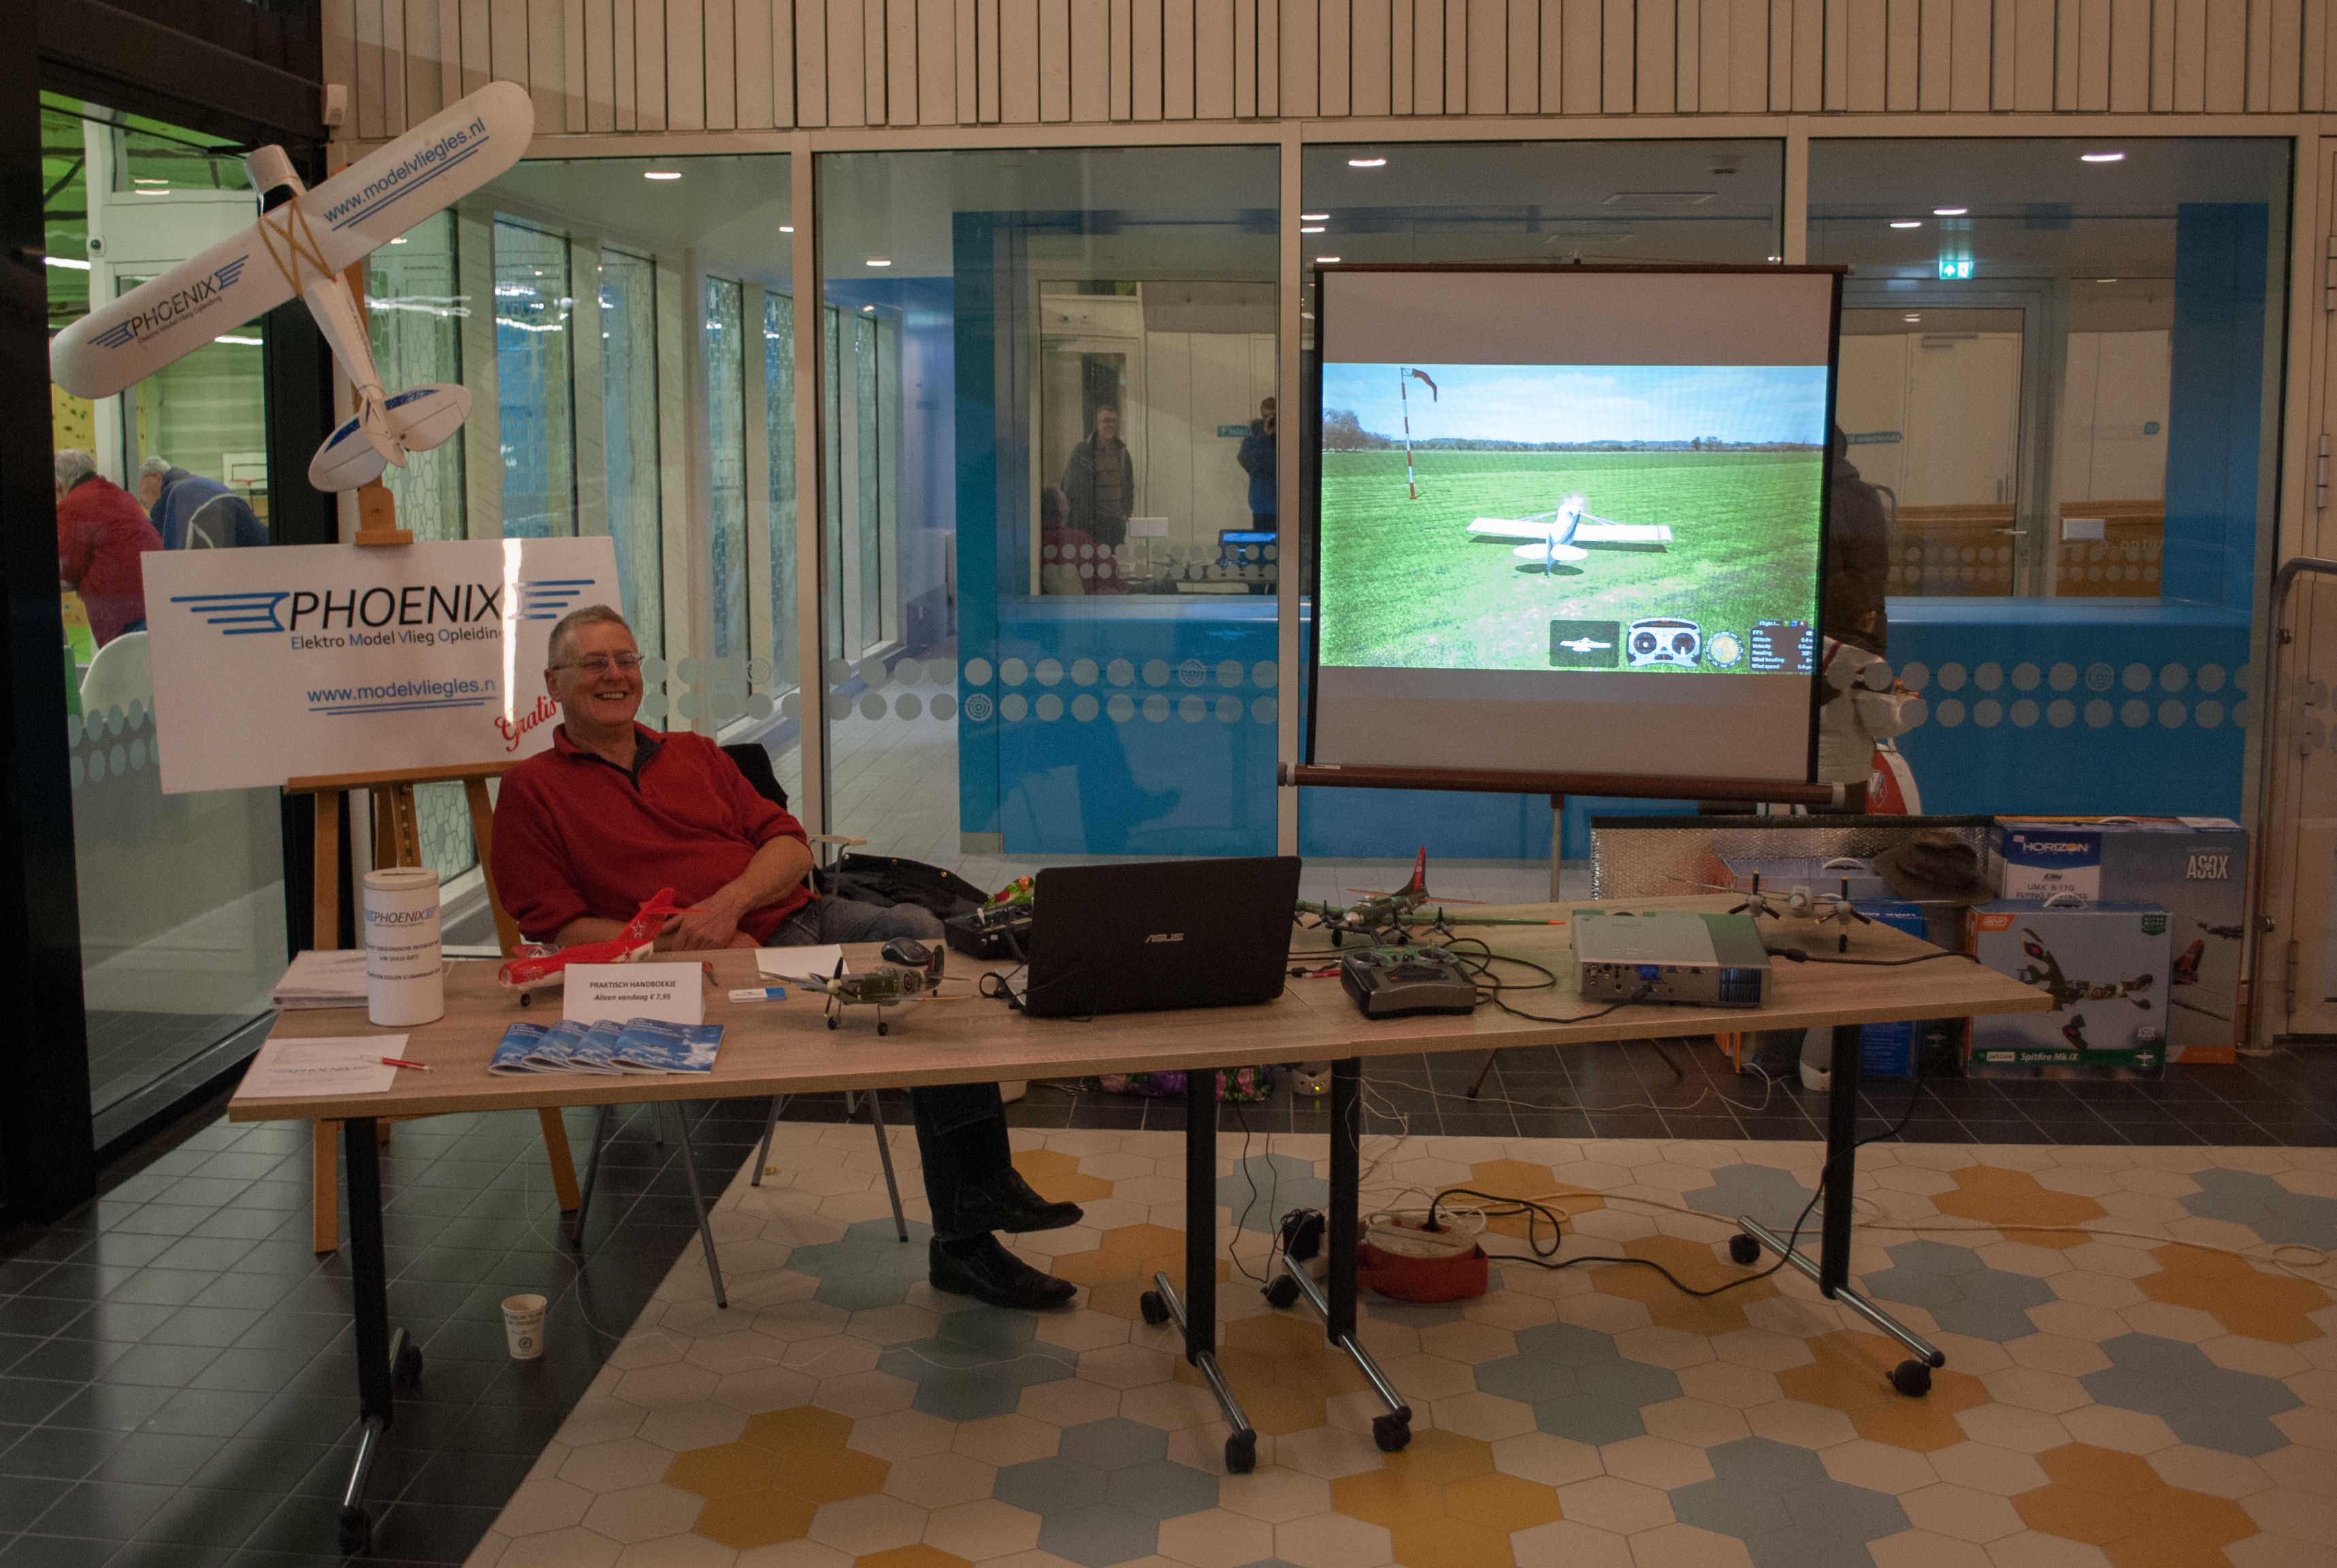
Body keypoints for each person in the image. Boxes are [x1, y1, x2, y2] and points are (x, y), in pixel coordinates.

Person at [491, 604, 1085, 1311]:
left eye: (626, 659)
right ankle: (970, 1234)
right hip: (686, 974)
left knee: (922, 939)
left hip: (793, 922)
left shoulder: (695, 753)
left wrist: (729, 905)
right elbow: (558, 928)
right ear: (553, 682)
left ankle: (976, 1202)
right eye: (594, 663)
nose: (614, 675)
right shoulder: (531, 789)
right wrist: (686, 947)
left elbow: (791, 847)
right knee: (924, 1018)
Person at [55, 448, 163, 649]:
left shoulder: (73, 505)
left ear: (57, 485)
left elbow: (68, 568)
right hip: (156, 600)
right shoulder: (118, 494)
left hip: (123, 611)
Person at [1827, 424, 1893, 656]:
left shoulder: (1788, 493)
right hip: (1849, 642)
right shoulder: (1862, 497)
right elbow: (1871, 585)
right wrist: (1875, 653)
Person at [138, 456, 267, 551]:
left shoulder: (172, 495)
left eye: (139, 486)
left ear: (156, 476)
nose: (140, 499)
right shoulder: (205, 485)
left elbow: (158, 547)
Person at [1061, 404, 1134, 549]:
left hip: (1115, 523)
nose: (1111, 425)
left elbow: (1129, 485)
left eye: (1114, 421)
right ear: (1098, 424)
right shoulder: (1083, 451)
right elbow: (1070, 487)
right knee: (1091, 560)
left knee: (1114, 560)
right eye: (1106, 421)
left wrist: (1127, 511)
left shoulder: (1123, 452)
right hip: (1091, 524)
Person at [1038, 483, 1124, 596]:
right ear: (1062, 512)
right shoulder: (1078, 540)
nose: (1069, 508)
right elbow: (1111, 573)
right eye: (1067, 503)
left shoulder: (1036, 541)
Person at [1237, 396, 1276, 533]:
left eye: (1275, 416)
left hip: (1288, 505)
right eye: (1267, 417)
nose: (1271, 420)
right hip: (1263, 507)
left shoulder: (1291, 438)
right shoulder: (1252, 441)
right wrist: (1266, 438)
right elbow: (1256, 467)